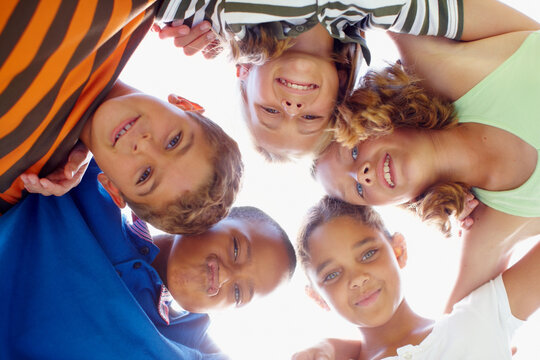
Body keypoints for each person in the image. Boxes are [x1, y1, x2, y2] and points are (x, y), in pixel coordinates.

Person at [314, 27, 540, 309]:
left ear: (370, 115)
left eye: (354, 151)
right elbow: (459, 336)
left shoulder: (438, 62)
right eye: (358, 189)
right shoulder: (490, 228)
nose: (363, 174)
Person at [156, 0, 537, 161]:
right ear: (341, 89)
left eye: (269, 111)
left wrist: (214, 27)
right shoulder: (392, 9)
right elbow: (529, 44)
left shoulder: (208, 14)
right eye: (309, 119)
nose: (291, 108)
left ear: (243, 75)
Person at [0, 158, 296, 359]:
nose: (227, 276)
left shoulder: (187, 342)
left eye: (237, 292)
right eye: (235, 249)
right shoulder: (99, 186)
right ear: (209, 215)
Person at [293, 196, 540, 360]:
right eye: (333, 274)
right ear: (317, 298)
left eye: (368, 254)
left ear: (398, 250)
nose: (357, 278)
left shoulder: (476, 318)